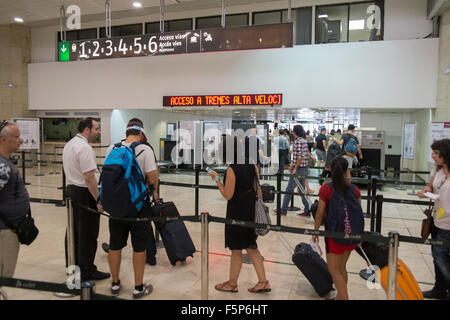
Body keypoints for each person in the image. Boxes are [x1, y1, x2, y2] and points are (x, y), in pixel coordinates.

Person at [208, 135, 271, 294]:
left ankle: (232, 283)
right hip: (250, 208)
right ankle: (263, 282)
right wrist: (259, 210)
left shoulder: (232, 169)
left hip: (237, 211)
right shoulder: (251, 164)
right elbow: (258, 190)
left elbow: (228, 194)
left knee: (236, 248)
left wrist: (216, 179)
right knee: (251, 247)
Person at [104, 118, 159, 299]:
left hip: (116, 206)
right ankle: (138, 287)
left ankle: (114, 283)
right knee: (139, 247)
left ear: (127, 132)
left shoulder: (112, 149)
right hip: (138, 207)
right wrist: (155, 191)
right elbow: (151, 178)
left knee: (115, 245)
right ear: (141, 133)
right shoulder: (145, 149)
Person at [62, 117, 110, 282]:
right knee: (87, 235)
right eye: (96, 129)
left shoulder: (69, 145)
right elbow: (89, 178)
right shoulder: (84, 148)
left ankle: (75, 267)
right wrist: (99, 199)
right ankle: (87, 271)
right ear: (87, 130)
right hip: (84, 194)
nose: (98, 132)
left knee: (74, 232)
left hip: (72, 191)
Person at [312, 156, 363, 300]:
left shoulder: (327, 188)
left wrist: (315, 231)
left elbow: (320, 213)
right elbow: (358, 212)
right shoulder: (355, 189)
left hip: (334, 234)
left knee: (334, 270)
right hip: (352, 234)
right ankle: (341, 296)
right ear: (347, 171)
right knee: (342, 268)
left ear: (330, 169)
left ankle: (344, 297)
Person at [417, 139, 450, 299]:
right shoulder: (437, 170)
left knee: (441, 256)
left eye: (437, 153)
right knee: (437, 256)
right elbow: (430, 186)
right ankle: (439, 289)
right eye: (433, 152)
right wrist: (426, 191)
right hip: (437, 220)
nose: (433, 156)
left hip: (449, 223)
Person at [0, 121, 29, 293]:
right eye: (16, 137)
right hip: (4, 231)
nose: (21, 140)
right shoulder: (2, 167)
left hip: (10, 228)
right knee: (4, 274)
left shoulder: (6, 162)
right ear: (4, 140)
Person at [274, 125, 311, 217]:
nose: (292, 132)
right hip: (304, 168)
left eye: (293, 131)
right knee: (301, 190)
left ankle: (283, 210)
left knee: (289, 189)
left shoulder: (298, 141)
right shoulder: (304, 140)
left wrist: (294, 168)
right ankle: (307, 210)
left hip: (298, 169)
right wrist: (292, 164)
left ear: (295, 132)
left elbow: (299, 157)